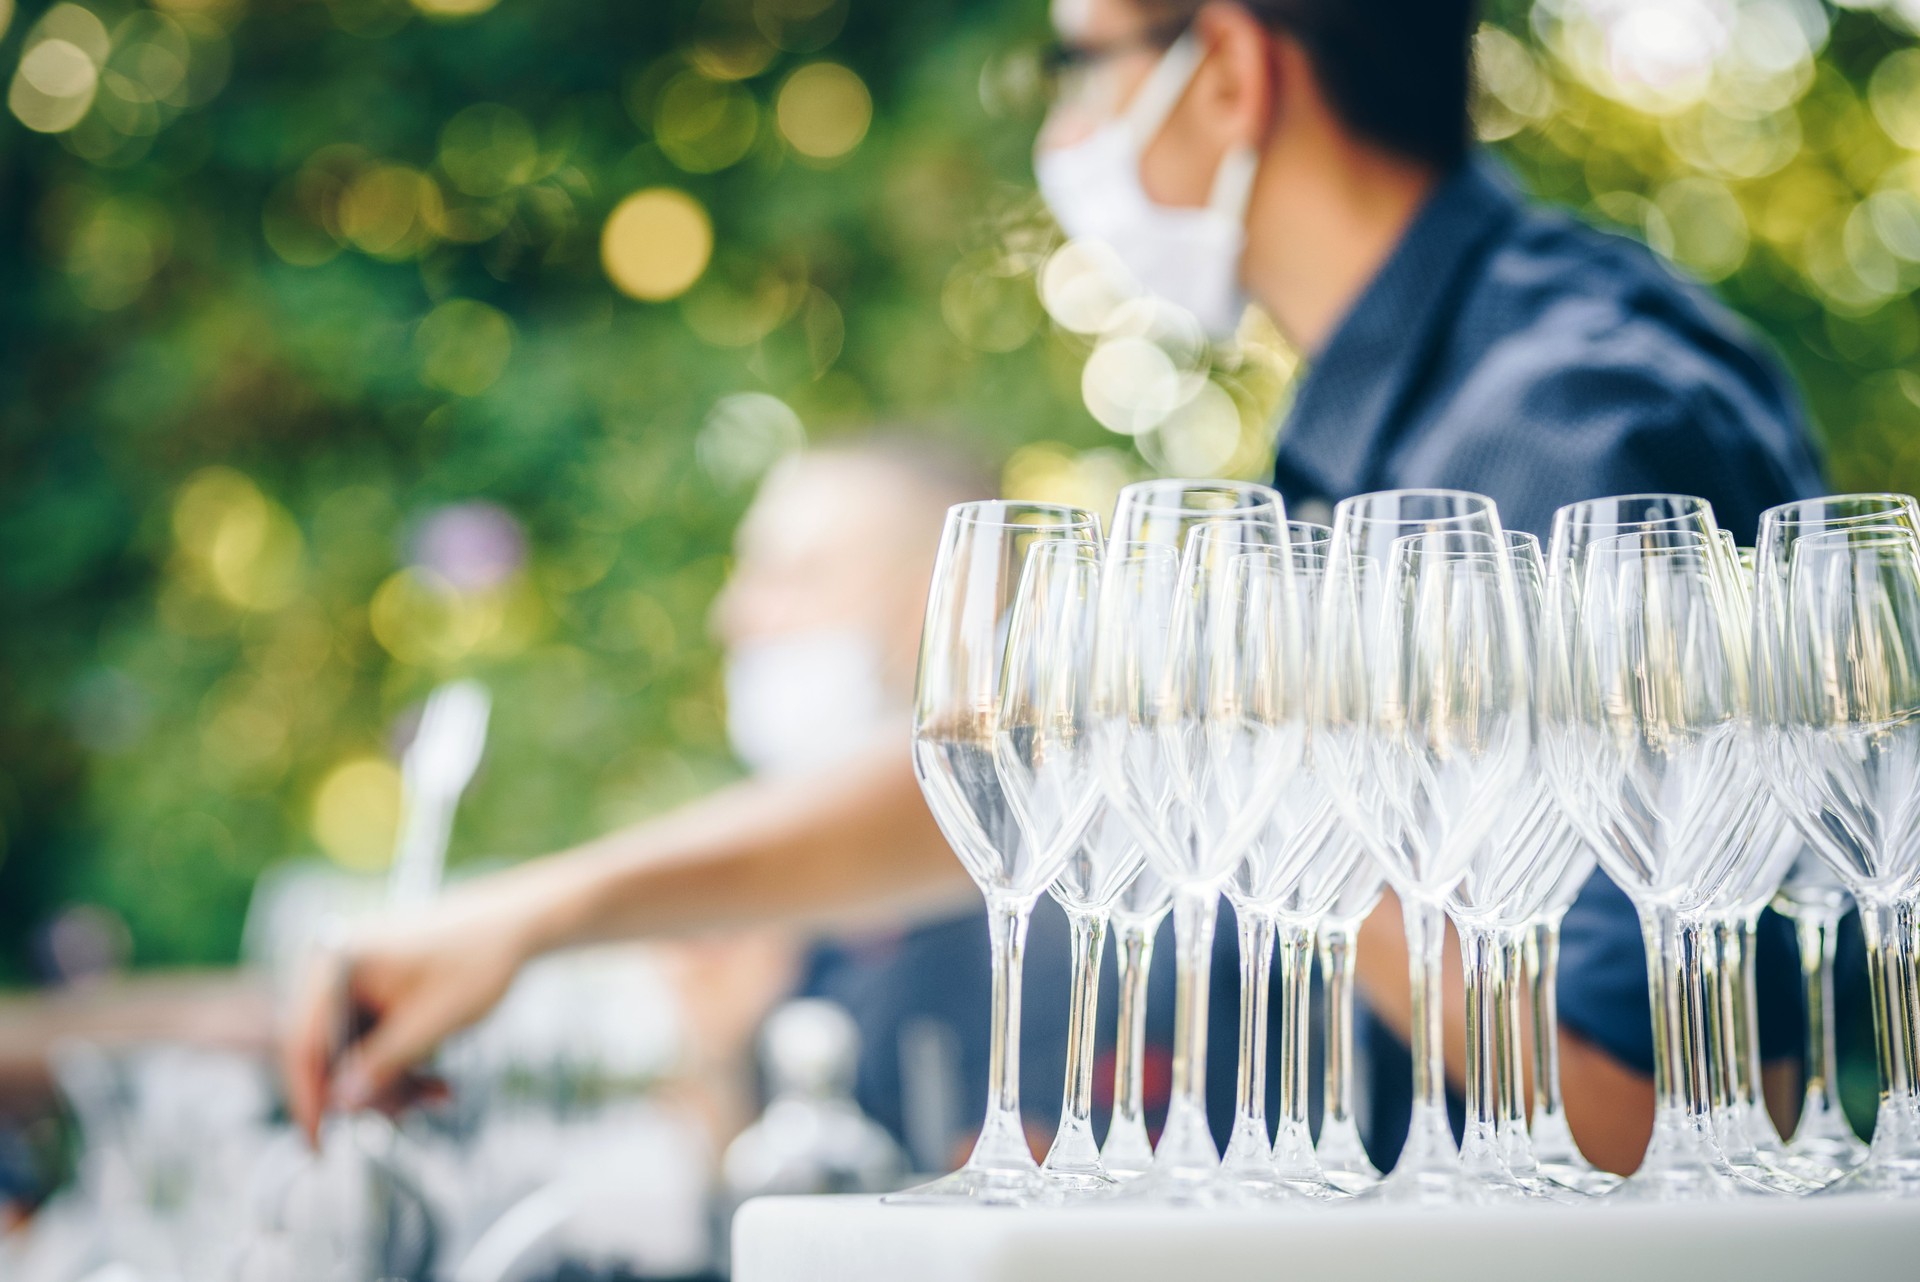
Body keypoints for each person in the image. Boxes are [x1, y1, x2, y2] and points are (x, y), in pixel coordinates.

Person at [287, 0, 1826, 1176]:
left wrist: (1256, 765)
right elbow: (1020, 783)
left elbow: (1683, 1115)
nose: (1062, 128)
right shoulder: (1412, 405)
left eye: (1074, 67)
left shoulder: (1564, 422)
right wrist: (543, 910)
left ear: (1227, 72)